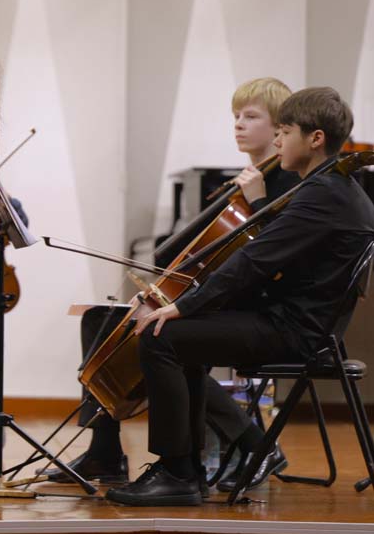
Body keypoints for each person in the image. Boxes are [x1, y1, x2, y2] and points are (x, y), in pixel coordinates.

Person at [106, 87, 374, 506]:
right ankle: (187, 472)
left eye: (285, 131)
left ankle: (178, 473)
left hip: (296, 331)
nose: (278, 141)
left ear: (315, 138)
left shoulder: (322, 195)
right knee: (179, 336)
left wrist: (182, 306)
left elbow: (253, 260)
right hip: (298, 322)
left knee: (161, 337)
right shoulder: (333, 187)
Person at [44, 78, 298, 489]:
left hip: (246, 305)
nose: (238, 124)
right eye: (236, 115)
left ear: (279, 128)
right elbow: (193, 254)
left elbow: (274, 252)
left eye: (251, 116)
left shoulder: (285, 181)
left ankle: (252, 443)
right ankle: (103, 452)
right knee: (98, 320)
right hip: (213, 295)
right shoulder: (247, 179)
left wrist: (256, 200)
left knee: (160, 336)